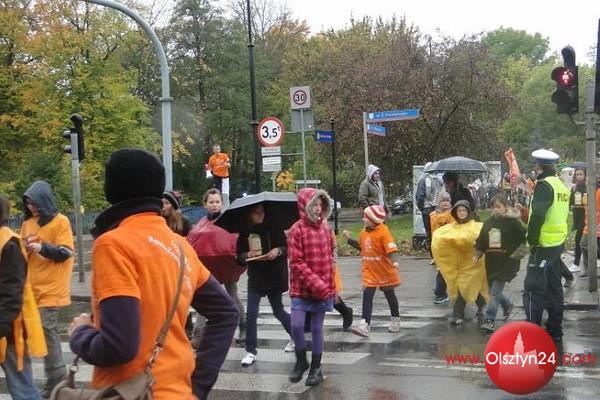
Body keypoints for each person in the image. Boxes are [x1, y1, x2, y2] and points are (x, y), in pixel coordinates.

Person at [67, 148, 238, 400]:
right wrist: (198, 386)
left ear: (112, 188)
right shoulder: (180, 247)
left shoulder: (113, 244)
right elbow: (226, 313)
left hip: (133, 392)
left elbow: (119, 346)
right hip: (180, 392)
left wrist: (80, 334)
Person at [20, 180, 73, 397]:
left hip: (52, 288)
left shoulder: (61, 222)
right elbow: (22, 252)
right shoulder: (28, 224)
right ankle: (51, 378)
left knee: (46, 329)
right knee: (30, 333)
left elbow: (66, 252)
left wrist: (42, 247)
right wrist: (24, 248)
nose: (31, 207)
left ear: (44, 201)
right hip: (31, 289)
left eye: (34, 203)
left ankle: (57, 379)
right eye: (28, 203)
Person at [287, 188, 336, 386]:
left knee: (317, 328)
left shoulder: (326, 229)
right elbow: (296, 262)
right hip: (302, 288)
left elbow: (331, 259)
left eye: (320, 205)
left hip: (323, 289)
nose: (317, 209)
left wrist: (331, 288)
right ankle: (301, 360)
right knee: (296, 325)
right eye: (314, 204)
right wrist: (316, 283)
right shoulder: (296, 230)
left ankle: (316, 368)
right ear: (304, 206)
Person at [523, 149, 570, 352]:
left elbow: (539, 214)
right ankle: (555, 330)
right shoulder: (560, 185)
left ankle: (532, 333)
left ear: (538, 166)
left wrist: (532, 240)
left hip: (542, 245)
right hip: (557, 243)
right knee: (554, 288)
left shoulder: (543, 185)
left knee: (533, 289)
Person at [0, 195, 47, 400]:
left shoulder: (8, 243)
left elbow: (12, 294)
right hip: (6, 325)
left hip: (11, 330)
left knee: (22, 389)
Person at [236, 203, 293, 367]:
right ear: (250, 215)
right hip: (256, 277)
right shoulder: (245, 232)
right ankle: (250, 350)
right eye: (256, 213)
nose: (259, 215)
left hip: (274, 275)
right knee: (251, 313)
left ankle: (295, 334)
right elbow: (239, 257)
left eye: (261, 212)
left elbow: (287, 248)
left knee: (278, 310)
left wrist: (277, 251)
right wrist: (246, 255)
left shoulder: (274, 228)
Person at [187, 188, 247, 345]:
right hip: (208, 268)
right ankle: (198, 336)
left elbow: (236, 242)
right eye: (211, 202)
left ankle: (244, 328)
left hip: (228, 266)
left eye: (217, 202)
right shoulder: (200, 225)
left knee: (232, 295)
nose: (214, 205)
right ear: (205, 204)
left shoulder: (228, 222)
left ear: (221, 203)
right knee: (205, 299)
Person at [343, 205, 402, 338]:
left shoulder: (383, 232)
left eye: (366, 217)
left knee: (389, 294)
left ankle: (395, 318)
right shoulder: (363, 232)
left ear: (374, 219)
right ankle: (365, 324)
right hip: (369, 270)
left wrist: (395, 261)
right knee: (367, 295)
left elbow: (391, 248)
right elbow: (362, 247)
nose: (363, 219)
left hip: (383, 270)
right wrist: (349, 240)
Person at [474, 194, 526, 332]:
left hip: (507, 262)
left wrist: (518, 254)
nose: (496, 210)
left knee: (494, 292)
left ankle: (489, 320)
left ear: (505, 207)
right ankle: (508, 305)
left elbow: (525, 238)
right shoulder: (489, 222)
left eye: (498, 207)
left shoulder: (513, 223)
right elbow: (481, 239)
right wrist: (478, 253)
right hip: (492, 262)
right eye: (494, 207)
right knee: (493, 290)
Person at [432, 200, 488, 325]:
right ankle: (478, 305)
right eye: (459, 211)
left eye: (464, 210)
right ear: (455, 213)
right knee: (465, 287)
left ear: (468, 212)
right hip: (459, 264)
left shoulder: (475, 226)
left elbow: (475, 239)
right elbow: (440, 238)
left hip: (473, 263)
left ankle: (460, 314)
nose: (461, 213)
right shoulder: (451, 227)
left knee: (467, 286)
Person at [429, 192, 455, 304]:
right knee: (442, 269)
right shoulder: (433, 215)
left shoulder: (452, 213)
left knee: (445, 270)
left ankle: (440, 292)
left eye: (447, 201)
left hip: (450, 245)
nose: (445, 203)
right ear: (438, 203)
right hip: (439, 246)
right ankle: (440, 293)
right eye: (443, 201)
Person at [415, 165, 442, 260]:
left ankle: (433, 255)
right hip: (437, 208)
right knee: (437, 231)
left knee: (430, 233)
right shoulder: (437, 179)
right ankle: (439, 254)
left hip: (427, 209)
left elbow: (420, 197)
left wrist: (421, 208)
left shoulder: (423, 180)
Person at [578, 179, 600, 278]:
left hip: (598, 226)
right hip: (589, 226)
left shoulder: (599, 192)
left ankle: (591, 269)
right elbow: (582, 208)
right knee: (583, 244)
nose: (587, 184)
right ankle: (588, 269)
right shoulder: (586, 195)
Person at [569, 168, 586, 272]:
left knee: (578, 238)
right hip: (576, 214)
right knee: (583, 239)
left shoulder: (586, 187)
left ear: (585, 175)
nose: (579, 176)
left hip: (585, 214)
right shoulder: (574, 187)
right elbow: (571, 201)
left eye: (581, 174)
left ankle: (576, 263)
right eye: (577, 174)